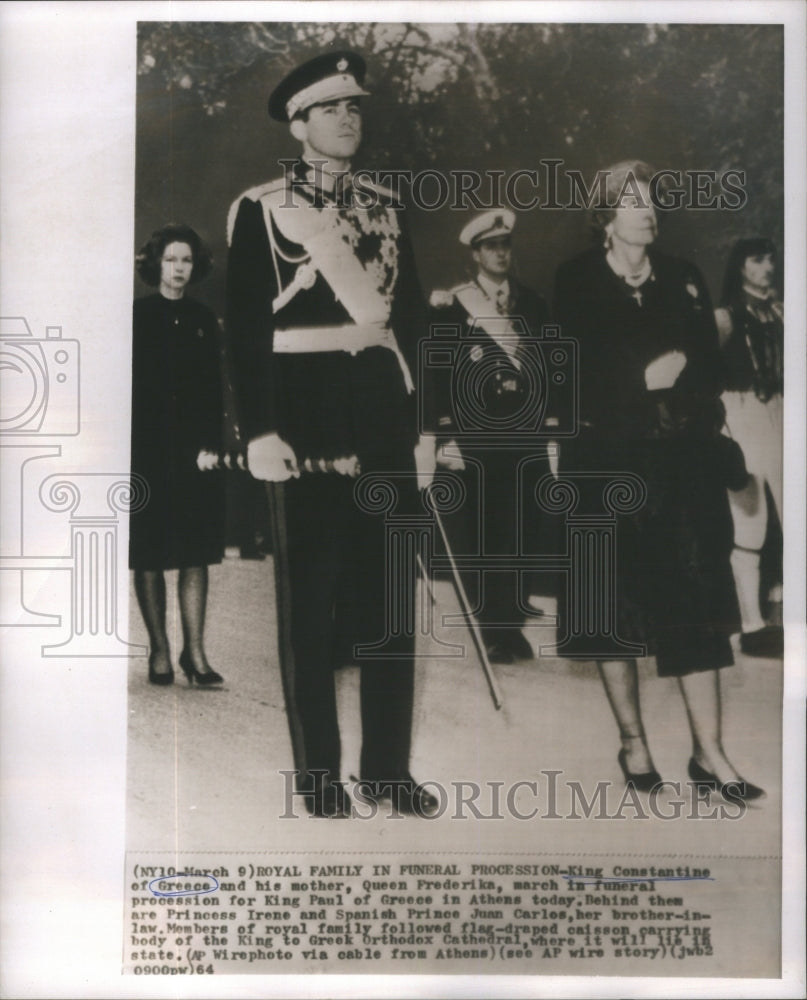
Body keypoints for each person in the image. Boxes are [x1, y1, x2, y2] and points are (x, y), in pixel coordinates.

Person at [226, 51, 438, 817]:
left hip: (381, 414)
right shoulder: (264, 208)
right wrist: (259, 430)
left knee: (390, 603)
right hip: (304, 418)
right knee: (311, 606)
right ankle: (319, 774)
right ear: (298, 124)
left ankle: (386, 770)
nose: (347, 118)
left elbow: (410, 323)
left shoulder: (387, 206)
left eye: (354, 107)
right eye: (330, 108)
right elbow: (245, 330)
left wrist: (424, 428)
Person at [553, 160, 763, 801]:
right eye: (633, 201)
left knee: (695, 603)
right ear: (605, 215)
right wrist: (640, 382)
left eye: (652, 200)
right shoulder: (576, 280)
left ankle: (710, 754)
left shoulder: (683, 276)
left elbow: (708, 370)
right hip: (605, 463)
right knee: (611, 604)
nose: (648, 211)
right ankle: (634, 742)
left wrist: (687, 394)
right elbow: (567, 374)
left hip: (679, 467)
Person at [429, 210, 552, 663]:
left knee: (526, 528)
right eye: (491, 247)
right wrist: (445, 434)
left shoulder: (533, 303)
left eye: (505, 245)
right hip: (478, 435)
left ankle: (512, 622)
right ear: (476, 254)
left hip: (527, 435)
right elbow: (438, 375)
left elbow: (549, 370)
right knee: (488, 531)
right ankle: (494, 628)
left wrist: (551, 427)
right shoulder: (453, 306)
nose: (501, 253)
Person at [130, 224, 225, 687]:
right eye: (170, 260)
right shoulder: (136, 316)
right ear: (155, 265)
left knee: (195, 551)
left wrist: (212, 445)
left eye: (186, 260)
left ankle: (196, 652)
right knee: (148, 553)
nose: (179, 268)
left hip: (194, 453)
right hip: (145, 450)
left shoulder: (204, 319)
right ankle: (160, 651)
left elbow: (214, 391)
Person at [715, 238, 784, 658]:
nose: (768, 266)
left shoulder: (781, 312)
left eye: (771, 259)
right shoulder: (725, 317)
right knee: (750, 521)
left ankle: (782, 613)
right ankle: (751, 625)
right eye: (758, 260)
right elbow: (702, 370)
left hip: (781, 412)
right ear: (740, 267)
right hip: (742, 415)